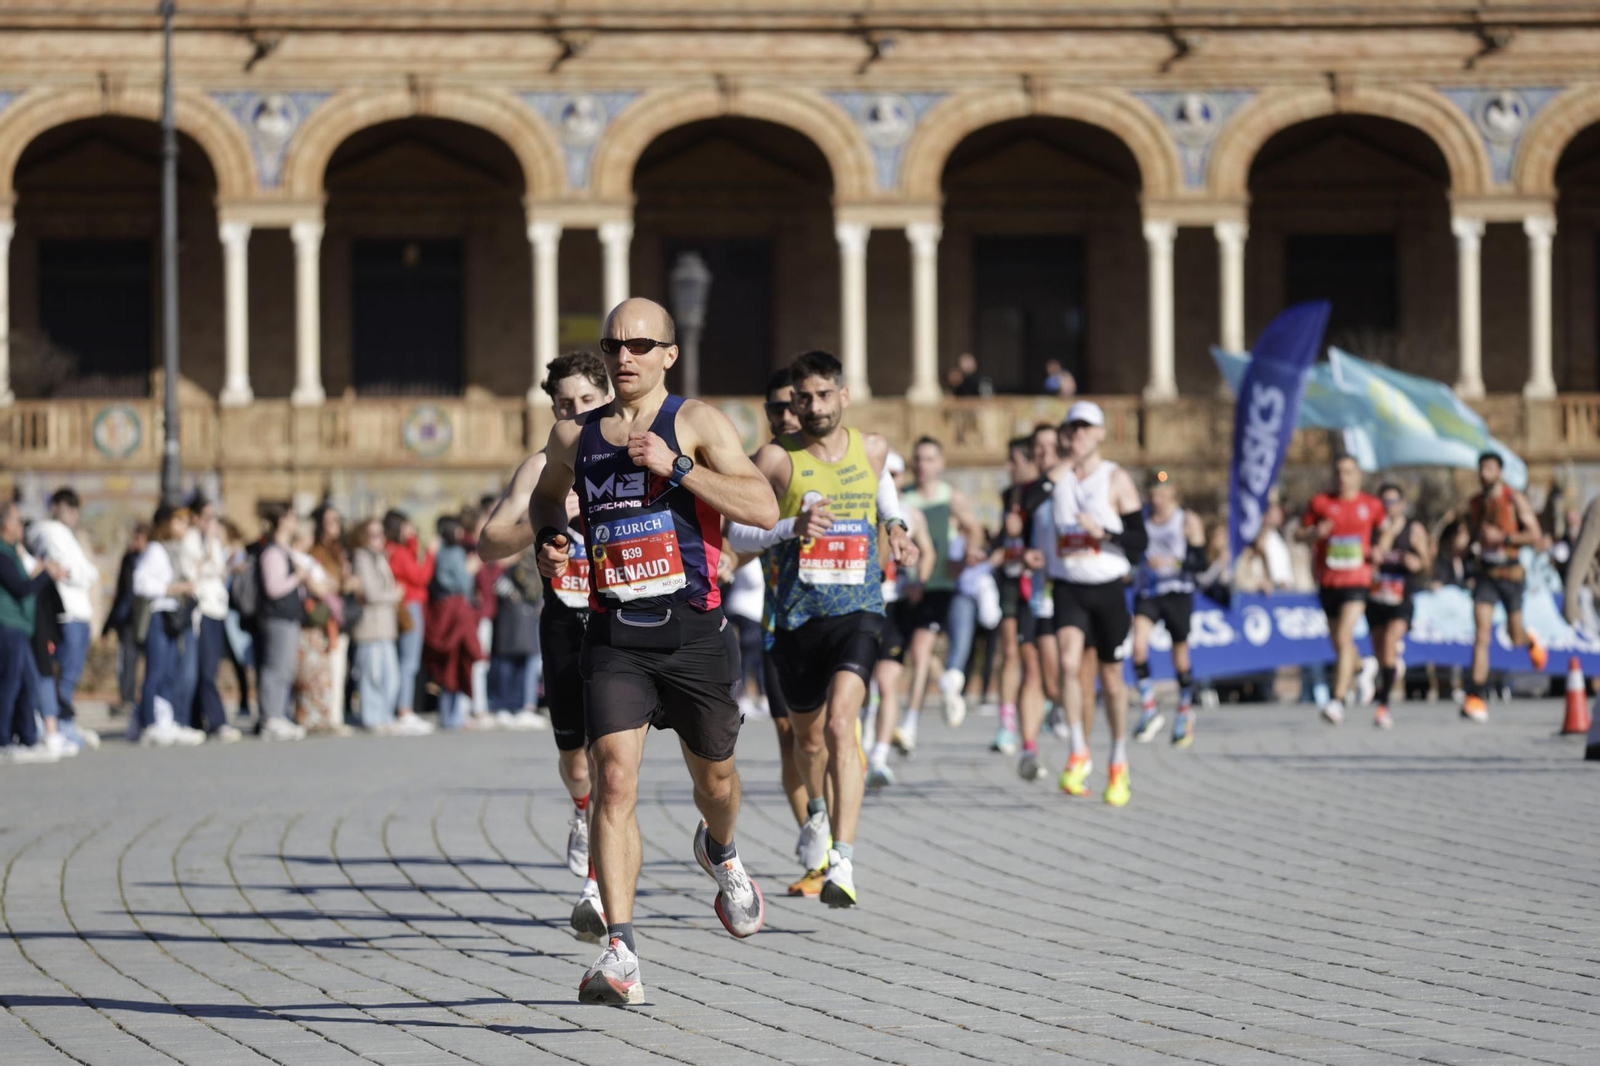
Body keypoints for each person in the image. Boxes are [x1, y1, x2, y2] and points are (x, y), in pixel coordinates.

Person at [531, 297, 778, 1005]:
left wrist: (677, 468)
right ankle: (622, 955)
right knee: (614, 781)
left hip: (693, 632)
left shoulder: (695, 422)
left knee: (718, 785)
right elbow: (548, 500)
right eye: (614, 344)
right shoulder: (574, 436)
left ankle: (720, 852)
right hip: (615, 635)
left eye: (641, 344)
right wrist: (551, 543)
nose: (625, 356)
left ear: (670, 353)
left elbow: (760, 508)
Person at [730, 349, 917, 910]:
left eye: (821, 396)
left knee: (841, 727)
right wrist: (792, 526)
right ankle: (815, 814)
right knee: (803, 741)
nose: (811, 407)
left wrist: (897, 527)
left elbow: (882, 487)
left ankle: (844, 859)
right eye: (801, 399)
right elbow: (735, 534)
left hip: (859, 609)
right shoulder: (774, 459)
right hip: (793, 617)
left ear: (843, 395)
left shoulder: (874, 447)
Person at [479, 348, 612, 938]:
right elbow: (488, 543)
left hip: (621, 623)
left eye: (587, 401)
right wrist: (548, 517)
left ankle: (599, 892)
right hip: (564, 618)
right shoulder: (539, 468)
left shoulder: (637, 458)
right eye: (565, 405)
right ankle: (581, 812)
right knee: (575, 759)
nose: (577, 413)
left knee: (614, 761)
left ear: (607, 397)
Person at [1048, 401, 1146, 806]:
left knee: (1111, 679)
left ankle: (1119, 759)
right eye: (1073, 428)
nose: (1078, 435)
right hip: (1070, 585)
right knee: (1069, 663)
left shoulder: (1116, 479)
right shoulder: (1059, 477)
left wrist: (1103, 532)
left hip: (1107, 586)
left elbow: (1139, 543)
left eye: (1086, 428)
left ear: (1102, 433)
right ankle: (1078, 750)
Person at [898, 436, 986, 752]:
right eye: (918, 459)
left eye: (930, 459)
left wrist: (969, 553)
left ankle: (909, 724)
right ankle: (948, 685)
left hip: (939, 586)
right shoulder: (902, 497)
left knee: (921, 651)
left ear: (942, 463)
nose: (923, 465)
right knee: (914, 651)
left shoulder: (953, 498)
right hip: (905, 587)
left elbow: (974, 528)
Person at [1296, 455, 1385, 725]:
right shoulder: (1321, 503)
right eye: (1338, 472)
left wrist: (1379, 550)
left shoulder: (1371, 505)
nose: (1343, 477)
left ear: (1358, 475)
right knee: (1338, 642)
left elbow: (1385, 531)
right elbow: (1299, 533)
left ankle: (1337, 700)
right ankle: (1361, 666)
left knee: (1345, 635)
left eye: (1348, 472)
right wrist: (1314, 534)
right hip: (1329, 579)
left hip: (1358, 580)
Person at [1460, 451, 1547, 722]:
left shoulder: (1514, 499)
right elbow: (1470, 535)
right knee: (1482, 635)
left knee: (1514, 635)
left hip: (1510, 572)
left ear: (1499, 471)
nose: (1484, 473)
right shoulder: (1475, 503)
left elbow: (1535, 536)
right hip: (1485, 573)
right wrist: (1463, 543)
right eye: (1481, 468)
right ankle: (1476, 696)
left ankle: (1529, 639)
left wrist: (1505, 537)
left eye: (1490, 468)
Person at [865, 454, 935, 792]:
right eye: (884, 473)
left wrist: (919, 580)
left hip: (895, 605)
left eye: (894, 473)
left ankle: (879, 757)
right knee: (860, 687)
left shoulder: (911, 514)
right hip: (863, 604)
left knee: (888, 681)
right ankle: (860, 747)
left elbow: (929, 552)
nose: (889, 479)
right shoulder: (860, 506)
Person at [1130, 472, 1206, 747]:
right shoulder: (1143, 520)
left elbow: (1201, 563)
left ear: (1173, 491)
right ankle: (1149, 707)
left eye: (1161, 493)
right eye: (1152, 493)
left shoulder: (1187, 520)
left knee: (1180, 659)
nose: (1156, 499)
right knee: (1138, 647)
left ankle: (1185, 712)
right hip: (1149, 592)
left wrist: (1174, 564)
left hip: (1177, 593)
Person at [25, 487, 100, 750]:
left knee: (71, 673)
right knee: (63, 675)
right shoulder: (50, 532)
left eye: (75, 509)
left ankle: (62, 720)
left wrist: (82, 573)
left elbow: (90, 572)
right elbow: (71, 571)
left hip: (79, 612)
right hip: (67, 612)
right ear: (55, 507)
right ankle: (59, 724)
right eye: (66, 508)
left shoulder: (68, 535)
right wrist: (80, 573)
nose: (72, 514)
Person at [130, 506, 206, 747]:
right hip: (159, 614)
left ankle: (165, 720)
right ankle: (149, 723)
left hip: (174, 614)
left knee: (170, 671)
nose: (185, 526)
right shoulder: (155, 549)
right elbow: (140, 583)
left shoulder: (178, 550)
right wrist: (175, 589)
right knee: (156, 670)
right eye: (179, 521)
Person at [0, 500, 64, 762]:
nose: (22, 528)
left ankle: (26, 738)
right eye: (18, 522)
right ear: (5, 524)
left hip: (21, 628)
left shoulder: (14, 552)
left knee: (29, 683)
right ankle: (3, 741)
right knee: (10, 684)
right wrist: (46, 574)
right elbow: (21, 588)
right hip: (8, 626)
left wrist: (39, 572)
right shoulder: (2, 554)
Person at [1367, 483, 1432, 729]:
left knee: (1390, 641)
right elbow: (1377, 553)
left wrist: (1419, 562)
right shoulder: (1374, 527)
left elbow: (1427, 562)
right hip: (1376, 596)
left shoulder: (1414, 529)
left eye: (1393, 502)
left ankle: (1383, 705)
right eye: (1384, 502)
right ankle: (1386, 673)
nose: (1389, 507)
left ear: (1402, 504)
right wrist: (1389, 531)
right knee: (1380, 650)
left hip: (1401, 597)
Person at [990, 436, 1039, 756]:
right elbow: (1003, 536)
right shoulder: (1009, 494)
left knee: (1034, 658)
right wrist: (990, 549)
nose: (1009, 467)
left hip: (1035, 581)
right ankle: (1007, 725)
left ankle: (1039, 719)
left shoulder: (1042, 491)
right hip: (1010, 577)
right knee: (1009, 651)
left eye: (1014, 461)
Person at [181, 498, 241, 742]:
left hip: (217, 609)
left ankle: (198, 720)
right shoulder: (191, 540)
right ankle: (217, 721)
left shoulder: (214, 542)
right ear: (195, 518)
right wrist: (211, 560)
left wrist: (225, 565)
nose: (211, 522)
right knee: (205, 669)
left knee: (210, 667)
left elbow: (214, 569)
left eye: (214, 517)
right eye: (206, 517)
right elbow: (193, 571)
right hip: (202, 610)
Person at [350, 518, 415, 734]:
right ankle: (372, 717)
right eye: (374, 534)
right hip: (370, 626)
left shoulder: (381, 557)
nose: (380, 538)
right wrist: (395, 594)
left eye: (381, 534)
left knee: (391, 677)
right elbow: (370, 592)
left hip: (386, 626)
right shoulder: (361, 557)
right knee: (372, 675)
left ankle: (386, 715)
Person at [256, 505, 310, 742]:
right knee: (275, 667)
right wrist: (297, 577)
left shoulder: (287, 551)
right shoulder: (273, 553)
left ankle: (279, 714)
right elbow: (274, 587)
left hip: (289, 616)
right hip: (276, 617)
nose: (296, 521)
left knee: (286, 667)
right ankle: (270, 718)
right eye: (292, 517)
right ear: (281, 521)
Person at [425, 515, 482, 730]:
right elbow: (462, 582)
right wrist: (470, 570)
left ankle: (448, 714)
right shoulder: (457, 553)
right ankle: (454, 715)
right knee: (458, 663)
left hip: (444, 611)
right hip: (457, 611)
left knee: (446, 665)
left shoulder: (439, 554)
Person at [385, 510, 435, 725]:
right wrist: (430, 555)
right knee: (409, 661)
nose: (411, 530)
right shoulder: (398, 552)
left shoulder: (401, 549)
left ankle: (403, 707)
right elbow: (420, 576)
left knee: (407, 660)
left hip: (412, 605)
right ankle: (404, 709)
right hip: (410, 606)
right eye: (407, 526)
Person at [104, 521, 150, 718]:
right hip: (130, 621)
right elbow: (121, 594)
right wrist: (107, 627)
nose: (137, 541)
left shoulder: (154, 558)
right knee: (128, 661)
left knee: (152, 662)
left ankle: (149, 699)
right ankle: (127, 699)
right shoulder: (129, 559)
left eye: (141, 537)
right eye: (136, 537)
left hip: (148, 619)